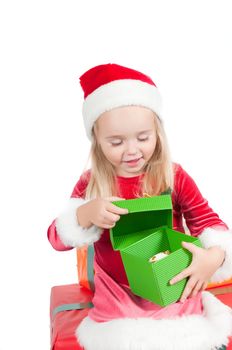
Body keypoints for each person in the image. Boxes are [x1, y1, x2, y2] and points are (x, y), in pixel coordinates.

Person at [48, 63, 232, 350]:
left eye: (143, 138)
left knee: (188, 339)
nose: (132, 150)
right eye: (116, 142)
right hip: (117, 299)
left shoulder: (174, 175)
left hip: (173, 286)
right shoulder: (91, 183)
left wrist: (214, 256)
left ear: (157, 133)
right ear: (96, 141)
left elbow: (209, 222)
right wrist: (84, 215)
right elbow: (56, 240)